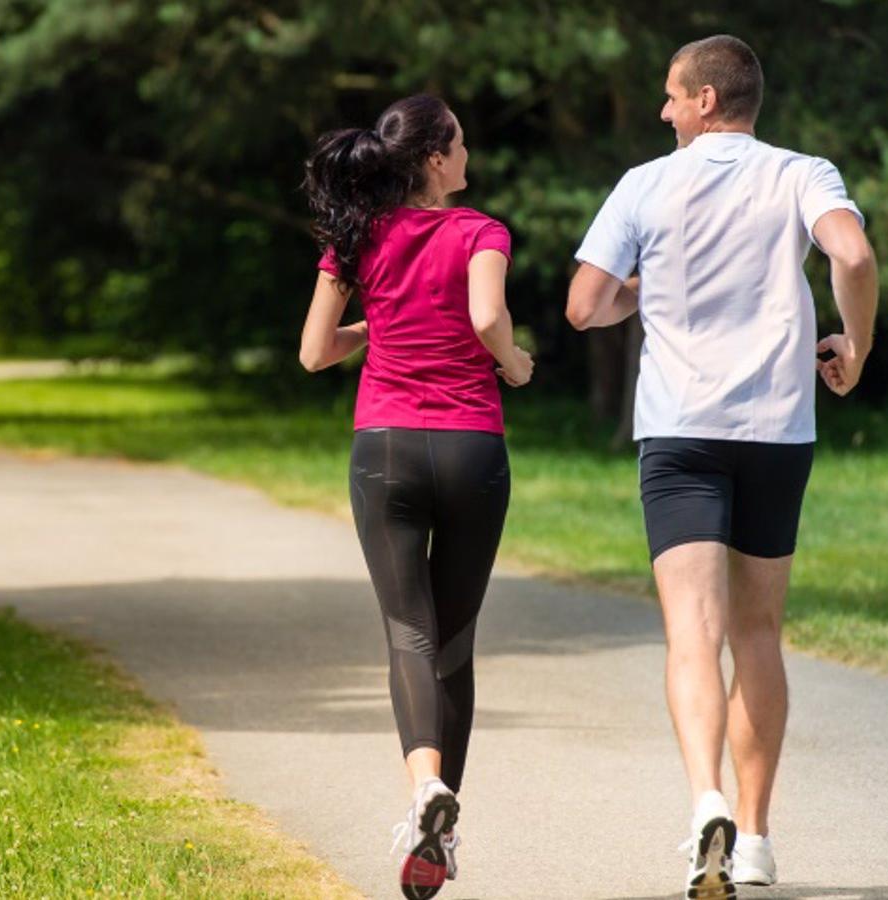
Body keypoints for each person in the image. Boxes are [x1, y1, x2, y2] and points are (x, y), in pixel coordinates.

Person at [565, 34, 878, 898]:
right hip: (778, 429)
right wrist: (857, 343)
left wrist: (645, 288)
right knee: (758, 633)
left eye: (671, 95)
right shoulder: (801, 171)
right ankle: (757, 837)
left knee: (691, 634)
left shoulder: (644, 185)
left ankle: (705, 798)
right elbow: (850, 254)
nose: (663, 111)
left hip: (680, 433)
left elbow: (585, 306)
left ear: (707, 100)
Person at [300, 93, 534, 900]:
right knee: (456, 641)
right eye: (460, 144)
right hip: (473, 448)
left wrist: (379, 327)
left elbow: (311, 352)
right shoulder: (482, 232)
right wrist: (513, 362)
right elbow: (485, 314)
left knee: (409, 632)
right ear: (435, 157)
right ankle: (440, 833)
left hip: (386, 452)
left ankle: (424, 789)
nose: (468, 156)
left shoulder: (354, 239)